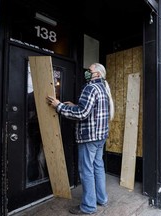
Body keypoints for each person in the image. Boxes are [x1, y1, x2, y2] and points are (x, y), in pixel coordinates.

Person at [47, 63, 114, 215]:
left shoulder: (90, 88)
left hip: (89, 137)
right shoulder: (103, 88)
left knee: (86, 171)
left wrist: (59, 106)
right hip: (100, 136)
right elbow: (91, 109)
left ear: (97, 73)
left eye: (89, 71)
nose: (87, 73)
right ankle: (101, 199)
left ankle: (89, 207)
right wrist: (75, 105)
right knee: (97, 167)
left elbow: (82, 114)